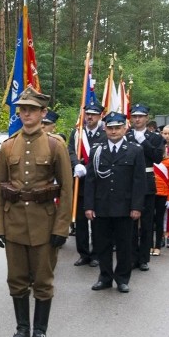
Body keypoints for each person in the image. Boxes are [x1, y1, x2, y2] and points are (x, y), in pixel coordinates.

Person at [0, 86, 73, 337]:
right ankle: (22, 330)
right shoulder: (7, 146)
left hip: (44, 223)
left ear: (43, 113)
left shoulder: (55, 145)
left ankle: (40, 332)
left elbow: (65, 188)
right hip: (14, 223)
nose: (26, 113)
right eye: (22, 109)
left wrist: (62, 226)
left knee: (42, 280)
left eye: (31, 109)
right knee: (16, 279)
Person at [84, 112, 146, 293]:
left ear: (125, 128)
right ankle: (104, 277)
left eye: (117, 127)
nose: (113, 131)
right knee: (102, 244)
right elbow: (90, 180)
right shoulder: (97, 150)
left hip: (125, 207)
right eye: (110, 128)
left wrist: (136, 207)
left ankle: (122, 279)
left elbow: (139, 181)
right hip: (101, 205)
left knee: (124, 245)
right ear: (105, 128)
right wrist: (88, 206)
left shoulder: (135, 150)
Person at [125, 104, 164, 271]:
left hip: (147, 182)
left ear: (147, 118)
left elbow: (157, 158)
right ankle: (132, 256)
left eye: (141, 116)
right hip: (129, 183)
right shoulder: (125, 135)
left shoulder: (155, 137)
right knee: (131, 221)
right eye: (134, 116)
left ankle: (143, 258)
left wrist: (144, 141)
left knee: (147, 221)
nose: (137, 119)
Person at [67, 102, 106, 267]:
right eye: (87, 114)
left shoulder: (105, 134)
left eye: (93, 114)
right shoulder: (77, 134)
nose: (90, 117)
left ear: (100, 116)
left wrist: (88, 167)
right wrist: (76, 163)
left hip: (98, 185)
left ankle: (97, 254)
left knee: (97, 223)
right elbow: (70, 150)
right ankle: (83, 254)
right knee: (81, 222)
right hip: (80, 185)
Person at [151, 154, 169, 255]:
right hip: (149, 194)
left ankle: (157, 246)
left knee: (159, 220)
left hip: (163, 195)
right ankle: (149, 246)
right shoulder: (149, 159)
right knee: (148, 222)